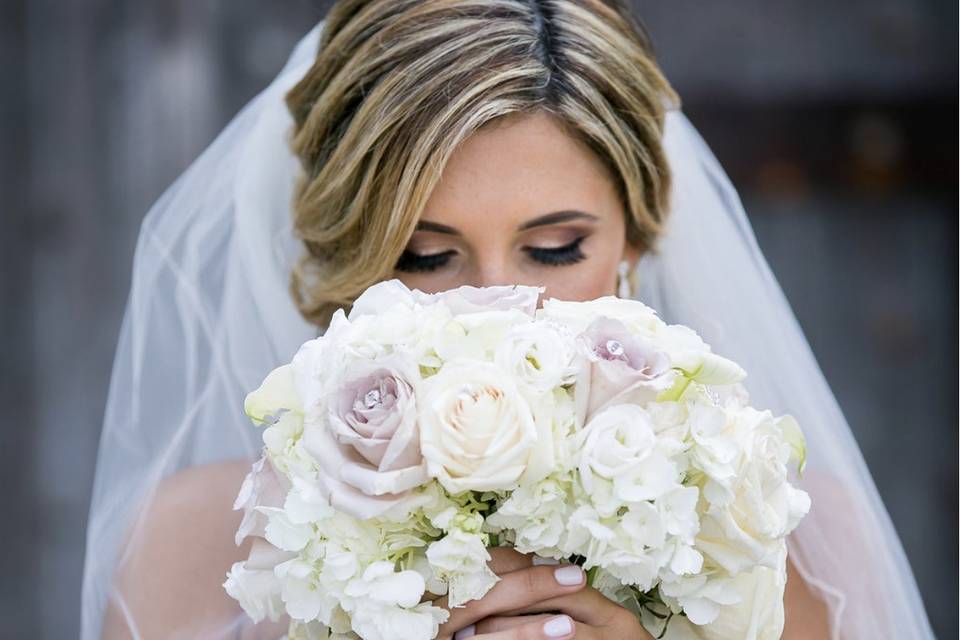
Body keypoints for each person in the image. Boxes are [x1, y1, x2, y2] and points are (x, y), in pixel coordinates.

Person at [82, 1, 934, 639]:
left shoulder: (793, 546)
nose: (500, 303)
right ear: (345, 252)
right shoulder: (184, 553)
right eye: (424, 257)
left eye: (556, 249)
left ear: (635, 239)